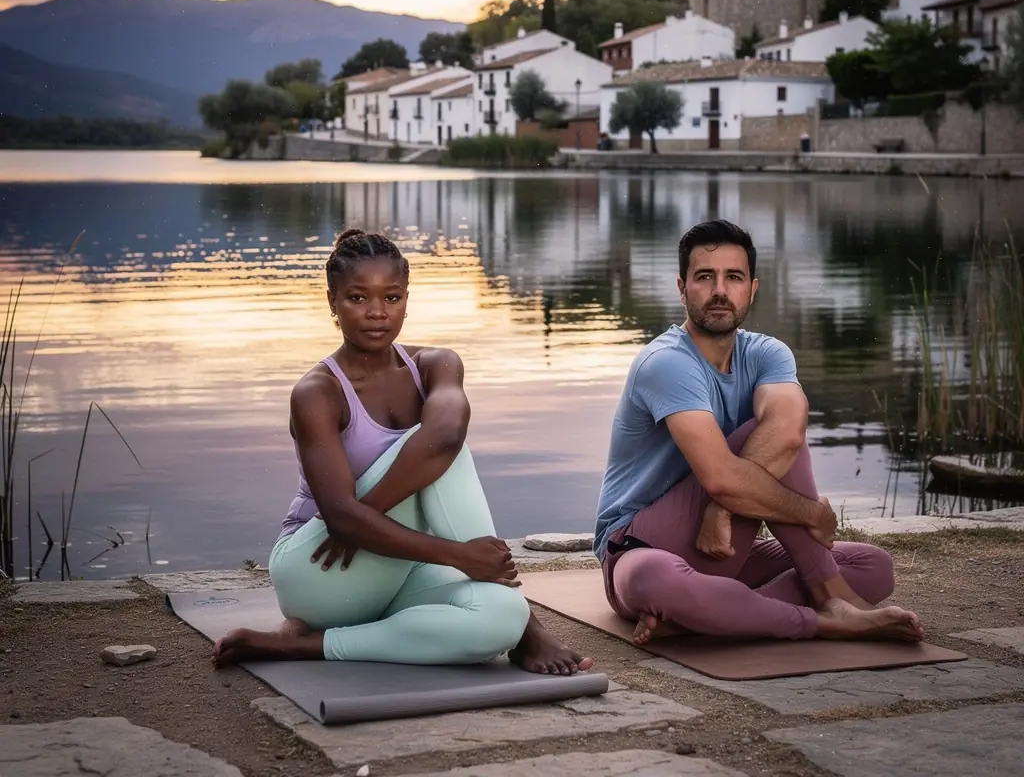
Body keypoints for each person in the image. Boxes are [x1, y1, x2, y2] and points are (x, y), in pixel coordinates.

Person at [214, 228, 591, 675]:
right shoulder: (318, 392)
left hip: (389, 567)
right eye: (358, 298)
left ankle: (305, 645)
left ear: (407, 299)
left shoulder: (436, 364)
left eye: (391, 298)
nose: (377, 313)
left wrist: (363, 514)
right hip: (321, 568)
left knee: (500, 618)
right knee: (445, 455)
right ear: (331, 301)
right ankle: (531, 632)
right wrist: (456, 555)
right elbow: (342, 515)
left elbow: (447, 433)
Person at [594, 219, 925, 646]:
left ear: (752, 288)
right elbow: (720, 477)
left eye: (733, 277)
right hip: (639, 545)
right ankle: (828, 611)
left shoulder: (768, 353)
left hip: (725, 543)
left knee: (873, 565)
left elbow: (788, 429)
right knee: (658, 581)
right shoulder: (666, 363)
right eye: (704, 277)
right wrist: (810, 514)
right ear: (682, 289)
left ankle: (712, 613)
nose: (719, 290)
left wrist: (722, 509)